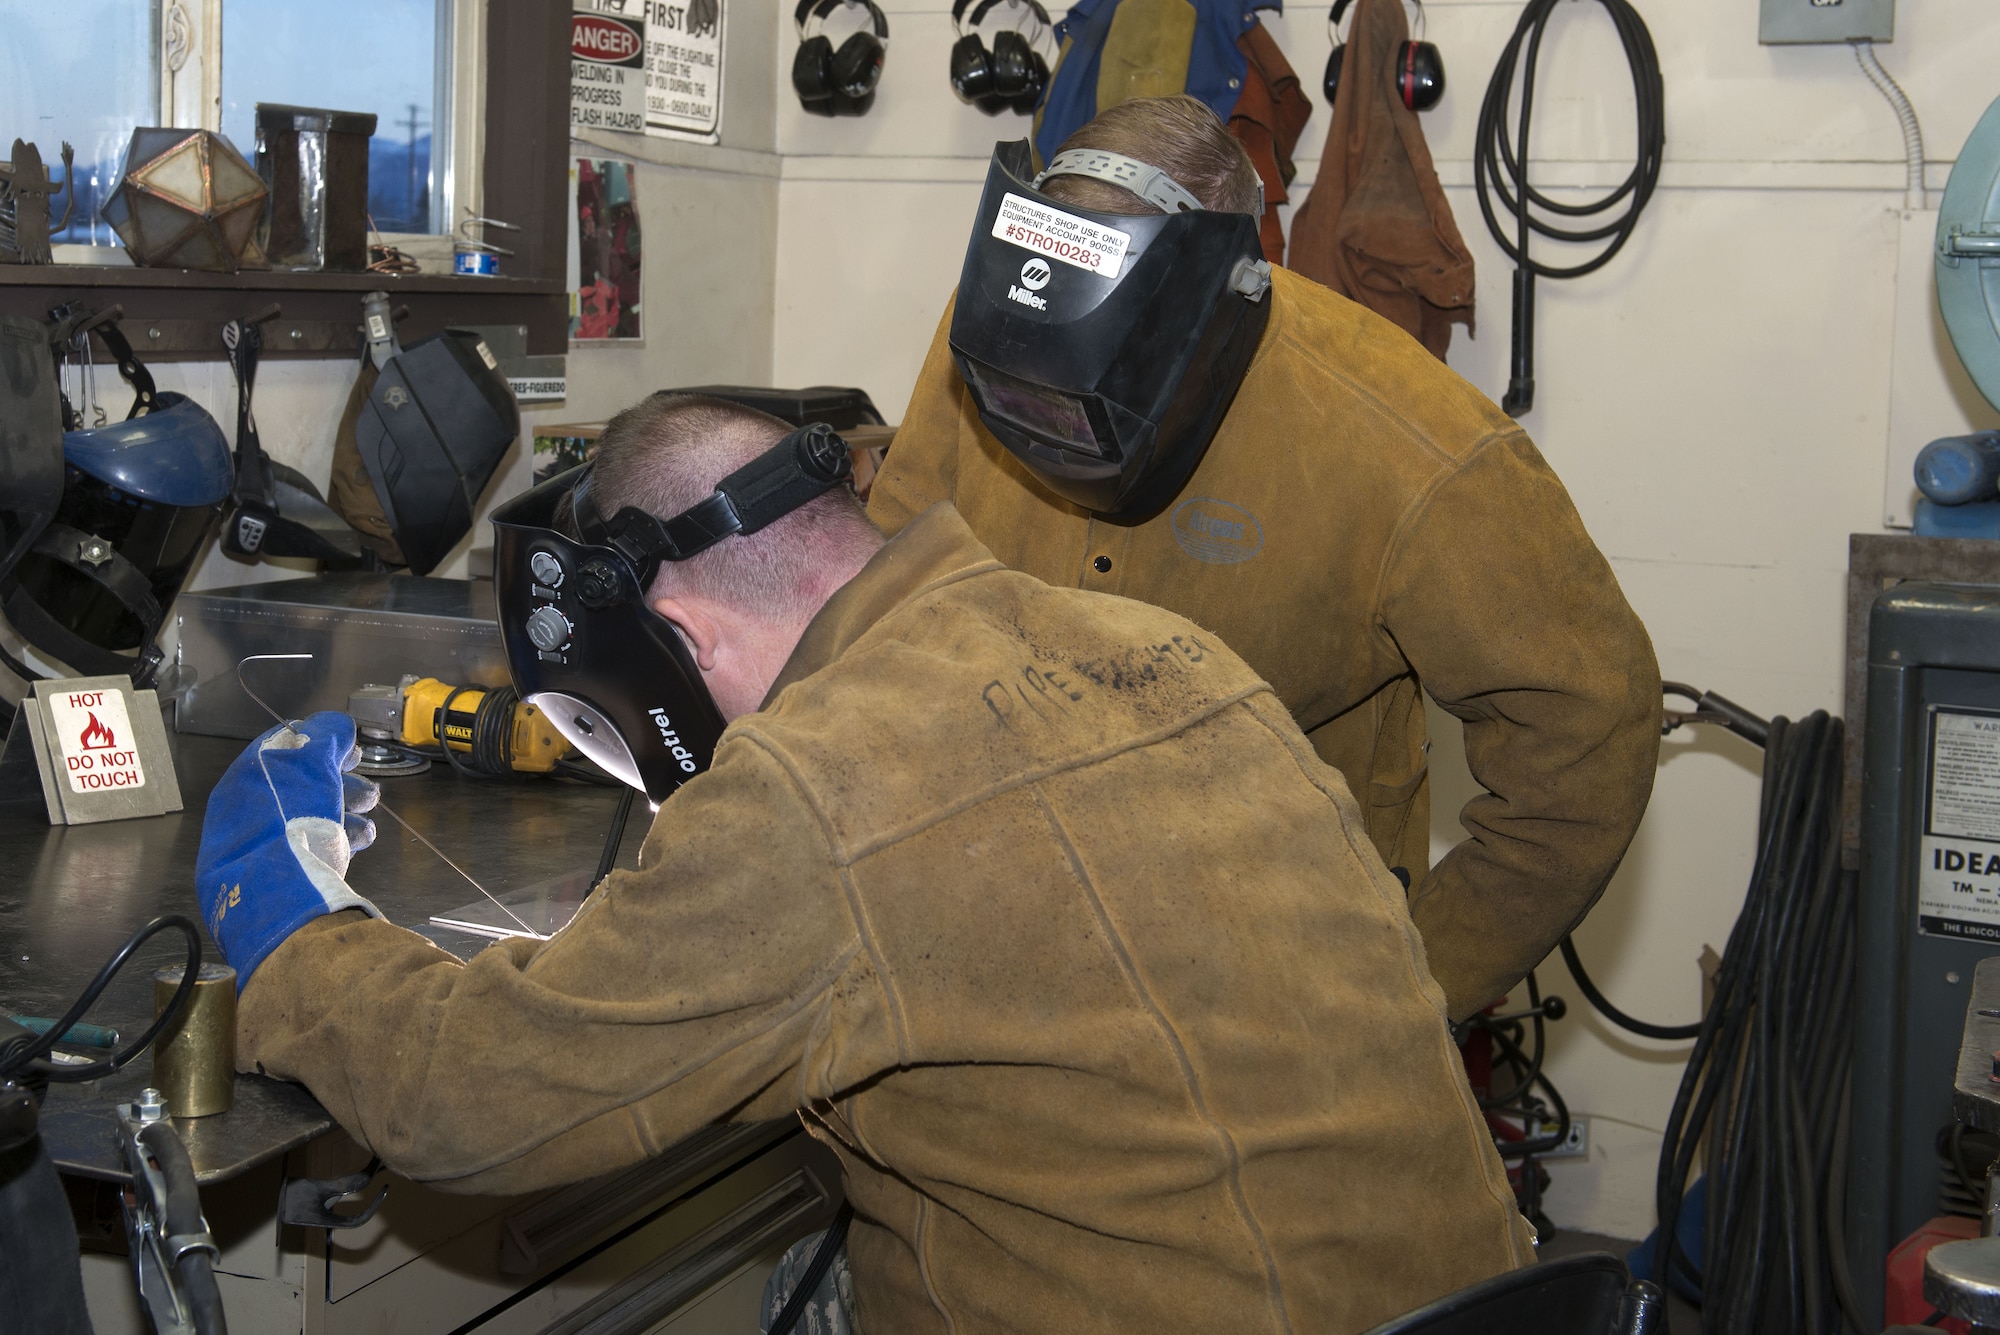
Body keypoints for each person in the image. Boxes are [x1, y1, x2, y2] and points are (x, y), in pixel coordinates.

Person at [198, 394, 1533, 1335]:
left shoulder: (817, 780)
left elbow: (471, 1094)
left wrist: (294, 927)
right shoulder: (1160, 642)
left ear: (679, 637)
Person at [868, 96, 1661, 1020]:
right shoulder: (1004, 326)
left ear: (1226, 284)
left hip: (1264, 986)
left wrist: (1399, 997)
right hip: (1002, 937)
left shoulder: (1404, 439)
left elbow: (1588, 735)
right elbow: (895, 582)